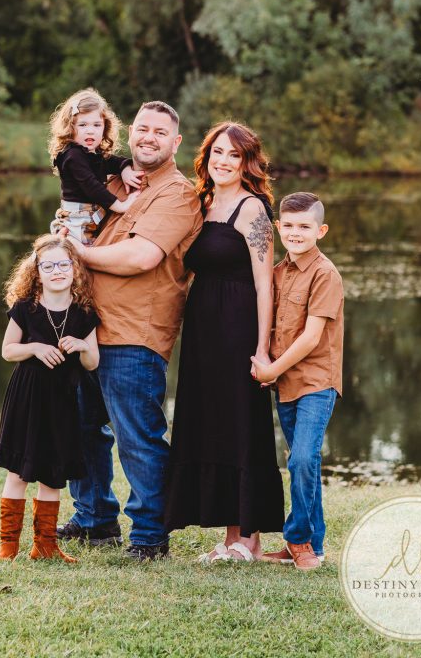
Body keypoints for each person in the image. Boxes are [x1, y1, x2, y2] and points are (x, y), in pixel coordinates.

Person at [56, 101, 203, 560]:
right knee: (81, 428)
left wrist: (76, 252)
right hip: (84, 327)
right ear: (129, 133)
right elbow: (75, 223)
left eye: (160, 132)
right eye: (142, 129)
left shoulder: (178, 195)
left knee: (137, 438)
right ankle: (95, 518)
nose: (148, 138)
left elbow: (141, 257)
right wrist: (63, 235)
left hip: (134, 333)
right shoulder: (114, 181)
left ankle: (149, 536)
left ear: (175, 142)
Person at [164, 122, 284, 562]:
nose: (224, 161)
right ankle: (230, 535)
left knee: (239, 422)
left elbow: (265, 284)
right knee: (208, 420)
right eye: (218, 152)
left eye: (234, 155)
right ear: (206, 156)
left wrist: (262, 347)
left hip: (238, 325)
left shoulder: (253, 209)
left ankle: (247, 538)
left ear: (247, 162)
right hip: (203, 329)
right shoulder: (204, 202)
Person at [0, 233, 100, 563]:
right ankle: (8, 546)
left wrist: (81, 346)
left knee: (53, 474)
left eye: (63, 265)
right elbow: (8, 351)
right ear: (37, 272)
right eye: (48, 266)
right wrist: (35, 348)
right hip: (26, 399)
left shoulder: (83, 313)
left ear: (75, 268)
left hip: (62, 401)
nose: (57, 272)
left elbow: (92, 362)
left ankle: (46, 545)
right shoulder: (26, 309)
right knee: (18, 472)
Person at [251, 191, 344, 571]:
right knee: (305, 463)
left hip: (317, 382)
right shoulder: (276, 273)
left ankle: (298, 538)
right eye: (288, 225)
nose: (295, 233)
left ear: (320, 230)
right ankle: (312, 546)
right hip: (286, 384)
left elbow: (310, 337)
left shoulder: (325, 274)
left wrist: (271, 369)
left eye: (304, 226)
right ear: (277, 227)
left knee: (303, 458)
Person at [48, 88, 143, 244]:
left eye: (97, 125)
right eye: (83, 125)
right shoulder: (73, 155)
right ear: (70, 127)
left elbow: (114, 161)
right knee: (78, 255)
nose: (90, 131)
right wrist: (121, 206)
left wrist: (125, 169)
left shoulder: (93, 154)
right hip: (76, 222)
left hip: (90, 219)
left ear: (105, 127)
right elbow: (92, 187)